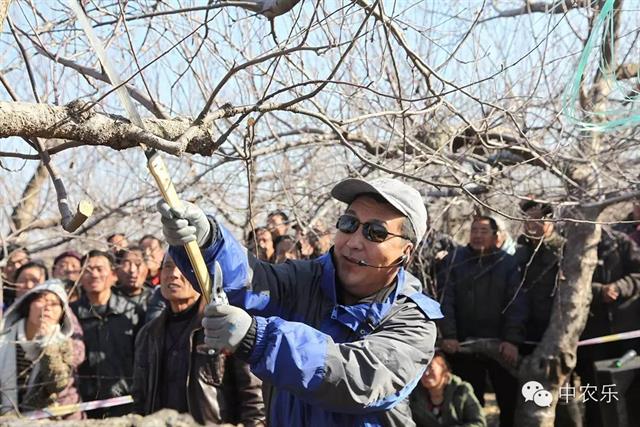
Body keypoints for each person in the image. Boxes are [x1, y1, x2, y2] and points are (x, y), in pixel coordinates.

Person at [158, 177, 442, 426]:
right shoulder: (305, 279)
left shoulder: (413, 321)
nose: (354, 241)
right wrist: (207, 243)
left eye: (375, 233)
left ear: (406, 252)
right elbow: (254, 283)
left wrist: (261, 339)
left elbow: (361, 378)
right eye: (349, 223)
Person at [133, 255, 265, 425]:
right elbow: (140, 400)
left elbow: (254, 398)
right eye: (167, 266)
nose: (173, 274)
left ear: (202, 275)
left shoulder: (225, 326)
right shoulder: (148, 335)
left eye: (182, 267)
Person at [439, 215, 525, 427]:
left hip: (500, 347)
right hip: (464, 346)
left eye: (483, 231)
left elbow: (517, 304)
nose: (477, 235)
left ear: (496, 237)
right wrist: (449, 336)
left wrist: (512, 340)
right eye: (474, 230)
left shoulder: (508, 263)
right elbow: (445, 300)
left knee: (508, 402)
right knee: (468, 402)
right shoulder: (455, 260)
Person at [514, 200, 583, 426]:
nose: (532, 223)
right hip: (527, 332)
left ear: (550, 220)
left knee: (563, 393)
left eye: (538, 218)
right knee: (531, 395)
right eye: (528, 218)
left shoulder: (563, 248)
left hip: (555, 332)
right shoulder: (520, 250)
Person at [576, 226, 640, 427]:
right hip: (591, 336)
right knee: (596, 394)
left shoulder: (620, 242)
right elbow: (564, 282)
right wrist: (598, 291)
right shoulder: (571, 245)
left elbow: (638, 274)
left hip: (628, 333)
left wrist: (619, 288)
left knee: (632, 391)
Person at [71, 250, 144, 418]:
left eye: (99, 269)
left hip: (125, 402)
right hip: (84, 404)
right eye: (87, 270)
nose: (93, 274)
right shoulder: (71, 314)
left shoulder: (132, 312)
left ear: (113, 274)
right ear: (80, 277)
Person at [0, 280, 84, 419]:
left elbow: (57, 384)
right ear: (28, 305)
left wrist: (48, 344)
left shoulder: (64, 343)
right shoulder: (5, 338)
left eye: (54, 304)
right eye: (41, 300)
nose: (47, 307)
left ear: (62, 313)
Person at [409, 352, 485, 427]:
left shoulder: (462, 390)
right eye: (423, 369)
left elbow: (479, 423)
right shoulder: (413, 394)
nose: (426, 373)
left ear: (444, 370)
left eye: (431, 368)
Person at [114, 247, 152, 311]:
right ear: (117, 269)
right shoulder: (105, 297)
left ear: (147, 269)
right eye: (127, 264)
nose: (132, 270)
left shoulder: (155, 298)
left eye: (138, 264)